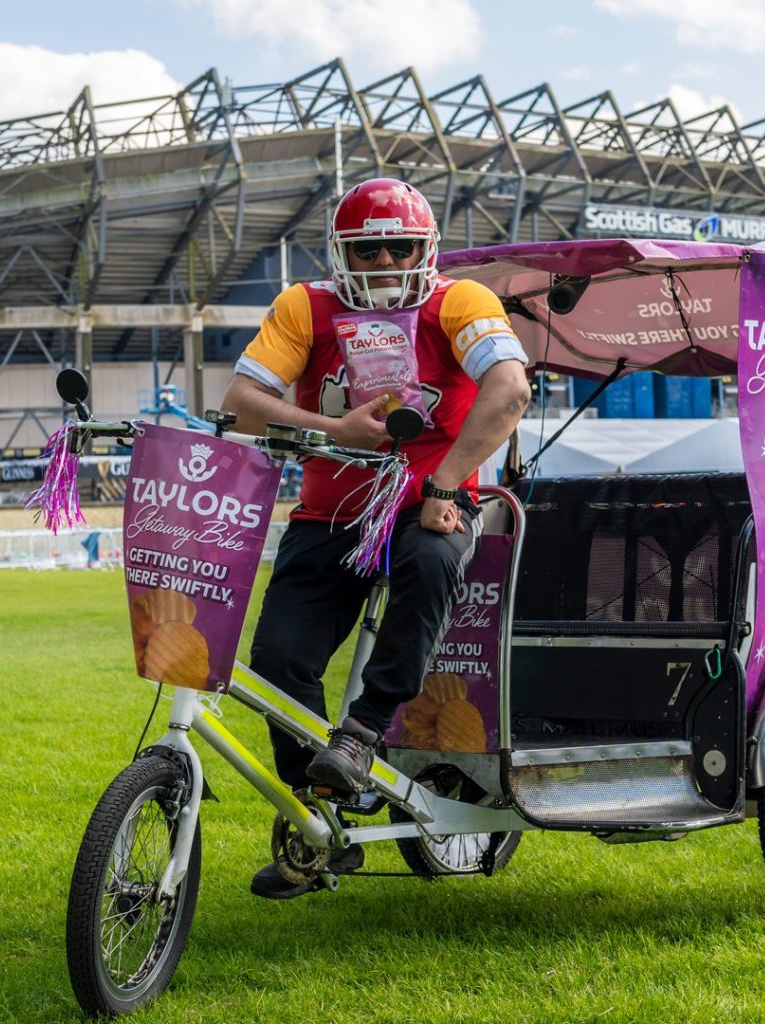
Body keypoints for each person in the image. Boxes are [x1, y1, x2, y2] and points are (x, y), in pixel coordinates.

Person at [220, 177, 531, 898]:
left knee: (427, 566)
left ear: (426, 251)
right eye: (370, 249)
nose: (387, 260)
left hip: (430, 506)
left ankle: (361, 733)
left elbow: (510, 388)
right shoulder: (305, 305)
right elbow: (239, 404)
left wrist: (449, 483)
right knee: (276, 661)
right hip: (331, 514)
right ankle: (315, 821)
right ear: (341, 253)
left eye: (401, 247)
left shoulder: (461, 300)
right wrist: (334, 430)